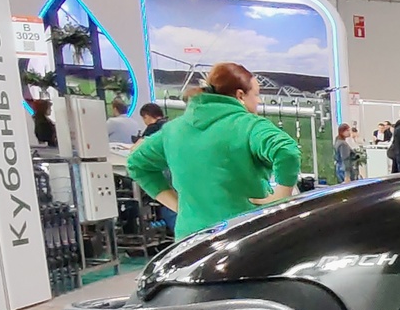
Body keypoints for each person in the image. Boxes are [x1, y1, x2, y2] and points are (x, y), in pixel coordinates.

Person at [124, 62, 300, 239]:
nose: (259, 101)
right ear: (240, 95)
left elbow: (136, 164)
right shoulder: (248, 125)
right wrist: (280, 197)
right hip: (243, 236)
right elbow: (287, 151)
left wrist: (179, 206)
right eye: (256, 94)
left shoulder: (173, 130)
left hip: (191, 241)